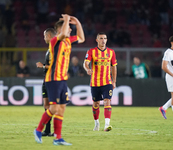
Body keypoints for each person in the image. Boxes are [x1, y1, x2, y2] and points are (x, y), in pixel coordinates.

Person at [34, 14, 85, 145]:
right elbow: (62, 34)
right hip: (53, 78)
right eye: (68, 28)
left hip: (62, 79)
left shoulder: (68, 41)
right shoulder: (55, 40)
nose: (70, 29)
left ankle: (58, 138)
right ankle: (39, 130)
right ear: (60, 30)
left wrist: (77, 21)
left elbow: (82, 38)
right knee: (54, 108)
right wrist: (67, 19)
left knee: (61, 108)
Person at [83, 32, 117, 132]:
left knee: (107, 101)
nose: (103, 40)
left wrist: (114, 81)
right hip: (95, 83)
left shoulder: (111, 52)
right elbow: (86, 63)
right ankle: (97, 123)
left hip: (107, 82)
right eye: (101, 38)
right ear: (97, 40)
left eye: (105, 38)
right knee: (96, 104)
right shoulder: (91, 51)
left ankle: (107, 125)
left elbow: (114, 67)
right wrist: (87, 69)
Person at [36, 28, 56, 136]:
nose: (44, 38)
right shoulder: (50, 48)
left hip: (52, 80)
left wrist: (43, 65)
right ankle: (47, 131)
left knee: (53, 106)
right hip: (46, 79)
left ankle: (56, 131)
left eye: (44, 36)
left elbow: (56, 66)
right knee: (46, 105)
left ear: (49, 36)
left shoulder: (54, 48)